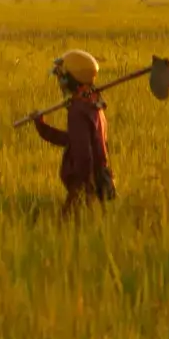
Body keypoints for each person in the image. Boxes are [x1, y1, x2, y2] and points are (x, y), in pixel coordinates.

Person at [28, 49, 116, 218]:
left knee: (66, 227)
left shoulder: (78, 110)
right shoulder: (93, 104)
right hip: (96, 179)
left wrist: (85, 190)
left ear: (71, 79)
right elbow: (71, 140)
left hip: (83, 183)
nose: (60, 82)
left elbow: (83, 153)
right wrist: (41, 126)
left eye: (62, 77)